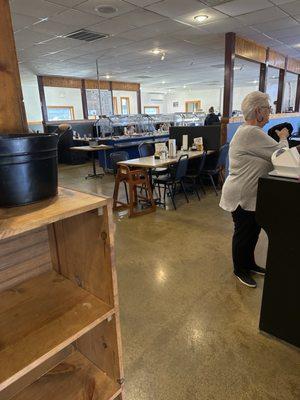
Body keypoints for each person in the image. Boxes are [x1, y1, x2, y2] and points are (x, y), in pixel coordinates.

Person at [219, 91, 289, 288]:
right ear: (258, 111)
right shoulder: (251, 132)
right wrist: (283, 137)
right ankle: (239, 269)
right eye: (268, 109)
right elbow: (280, 155)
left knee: (253, 233)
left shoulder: (249, 132)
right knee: (243, 234)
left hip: (251, 194)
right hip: (241, 195)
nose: (269, 113)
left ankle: (249, 264)